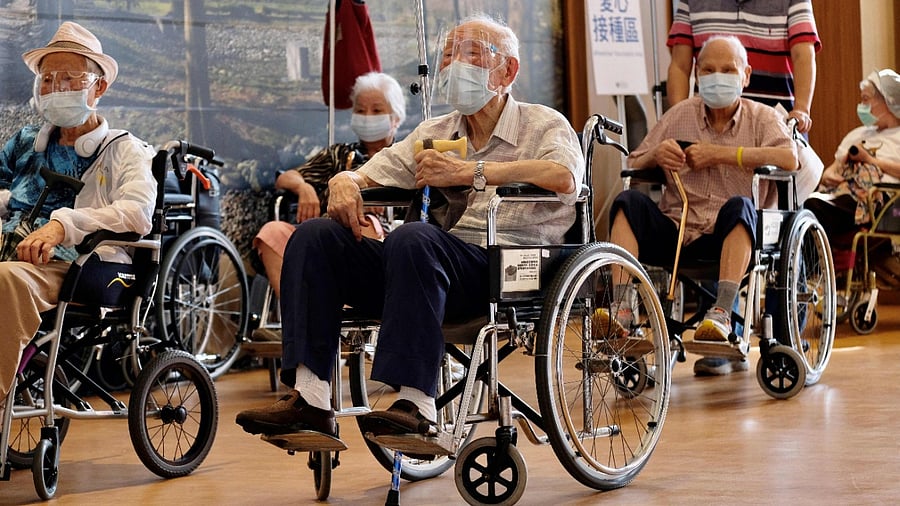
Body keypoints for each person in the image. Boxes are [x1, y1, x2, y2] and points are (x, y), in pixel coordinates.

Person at [235, 14, 584, 446]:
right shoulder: (435, 132)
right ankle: (311, 400)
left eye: (472, 53)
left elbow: (565, 175)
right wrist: (346, 181)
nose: (457, 64)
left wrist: (472, 172)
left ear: (507, 70)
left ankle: (416, 404)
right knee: (314, 236)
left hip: (510, 266)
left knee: (412, 236)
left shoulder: (542, 122)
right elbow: (374, 171)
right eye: (450, 54)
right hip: (431, 267)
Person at [606, 35, 797, 376]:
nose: (717, 76)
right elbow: (634, 162)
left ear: (746, 75)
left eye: (728, 69)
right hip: (677, 229)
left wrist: (724, 155)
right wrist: (656, 153)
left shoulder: (762, 118)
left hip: (729, 234)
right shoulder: (680, 114)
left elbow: (789, 158)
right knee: (628, 202)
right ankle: (622, 307)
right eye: (708, 69)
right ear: (696, 72)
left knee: (739, 206)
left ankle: (722, 312)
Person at [0, 22, 157, 402]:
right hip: (12, 247)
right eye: (48, 79)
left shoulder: (124, 149)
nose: (55, 88)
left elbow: (137, 214)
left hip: (77, 264)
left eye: (69, 78)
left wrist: (62, 226)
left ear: (98, 87)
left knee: (6, 280)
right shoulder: (26, 143)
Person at [253, 72, 407, 300]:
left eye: (376, 110)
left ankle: (353, 316)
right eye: (361, 110)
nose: (367, 116)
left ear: (396, 118)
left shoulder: (402, 156)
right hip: (323, 233)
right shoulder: (339, 154)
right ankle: (295, 316)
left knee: (362, 223)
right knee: (272, 232)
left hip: (382, 238)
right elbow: (286, 177)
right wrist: (304, 188)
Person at [667, 0, 821, 134]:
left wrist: (801, 109)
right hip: (707, 125)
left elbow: (803, 57)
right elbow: (679, 65)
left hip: (776, 125)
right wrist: (679, 116)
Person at [805, 69, 900, 241]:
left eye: (866, 100)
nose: (861, 106)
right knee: (803, 203)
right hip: (841, 192)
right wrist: (828, 176)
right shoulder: (857, 134)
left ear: (888, 101)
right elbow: (831, 170)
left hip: (878, 202)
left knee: (812, 207)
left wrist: (870, 160)